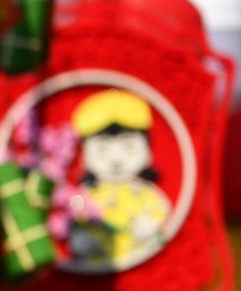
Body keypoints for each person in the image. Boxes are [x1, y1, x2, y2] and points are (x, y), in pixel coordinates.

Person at [66, 88, 170, 272]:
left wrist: (150, 226)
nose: (116, 160)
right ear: (83, 156)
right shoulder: (87, 194)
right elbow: (74, 207)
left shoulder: (144, 193)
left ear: (148, 152)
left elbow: (159, 210)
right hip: (98, 267)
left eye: (129, 148)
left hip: (140, 262)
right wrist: (79, 235)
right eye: (102, 151)